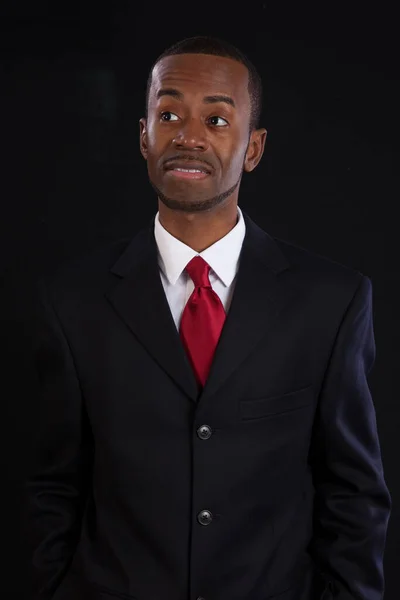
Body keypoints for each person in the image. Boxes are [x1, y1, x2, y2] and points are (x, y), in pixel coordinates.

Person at [24, 35, 391, 600]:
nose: (189, 136)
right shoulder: (71, 301)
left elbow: (354, 495)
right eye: (168, 114)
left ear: (254, 148)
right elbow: (53, 489)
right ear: (144, 136)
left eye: (217, 120)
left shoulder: (331, 301)